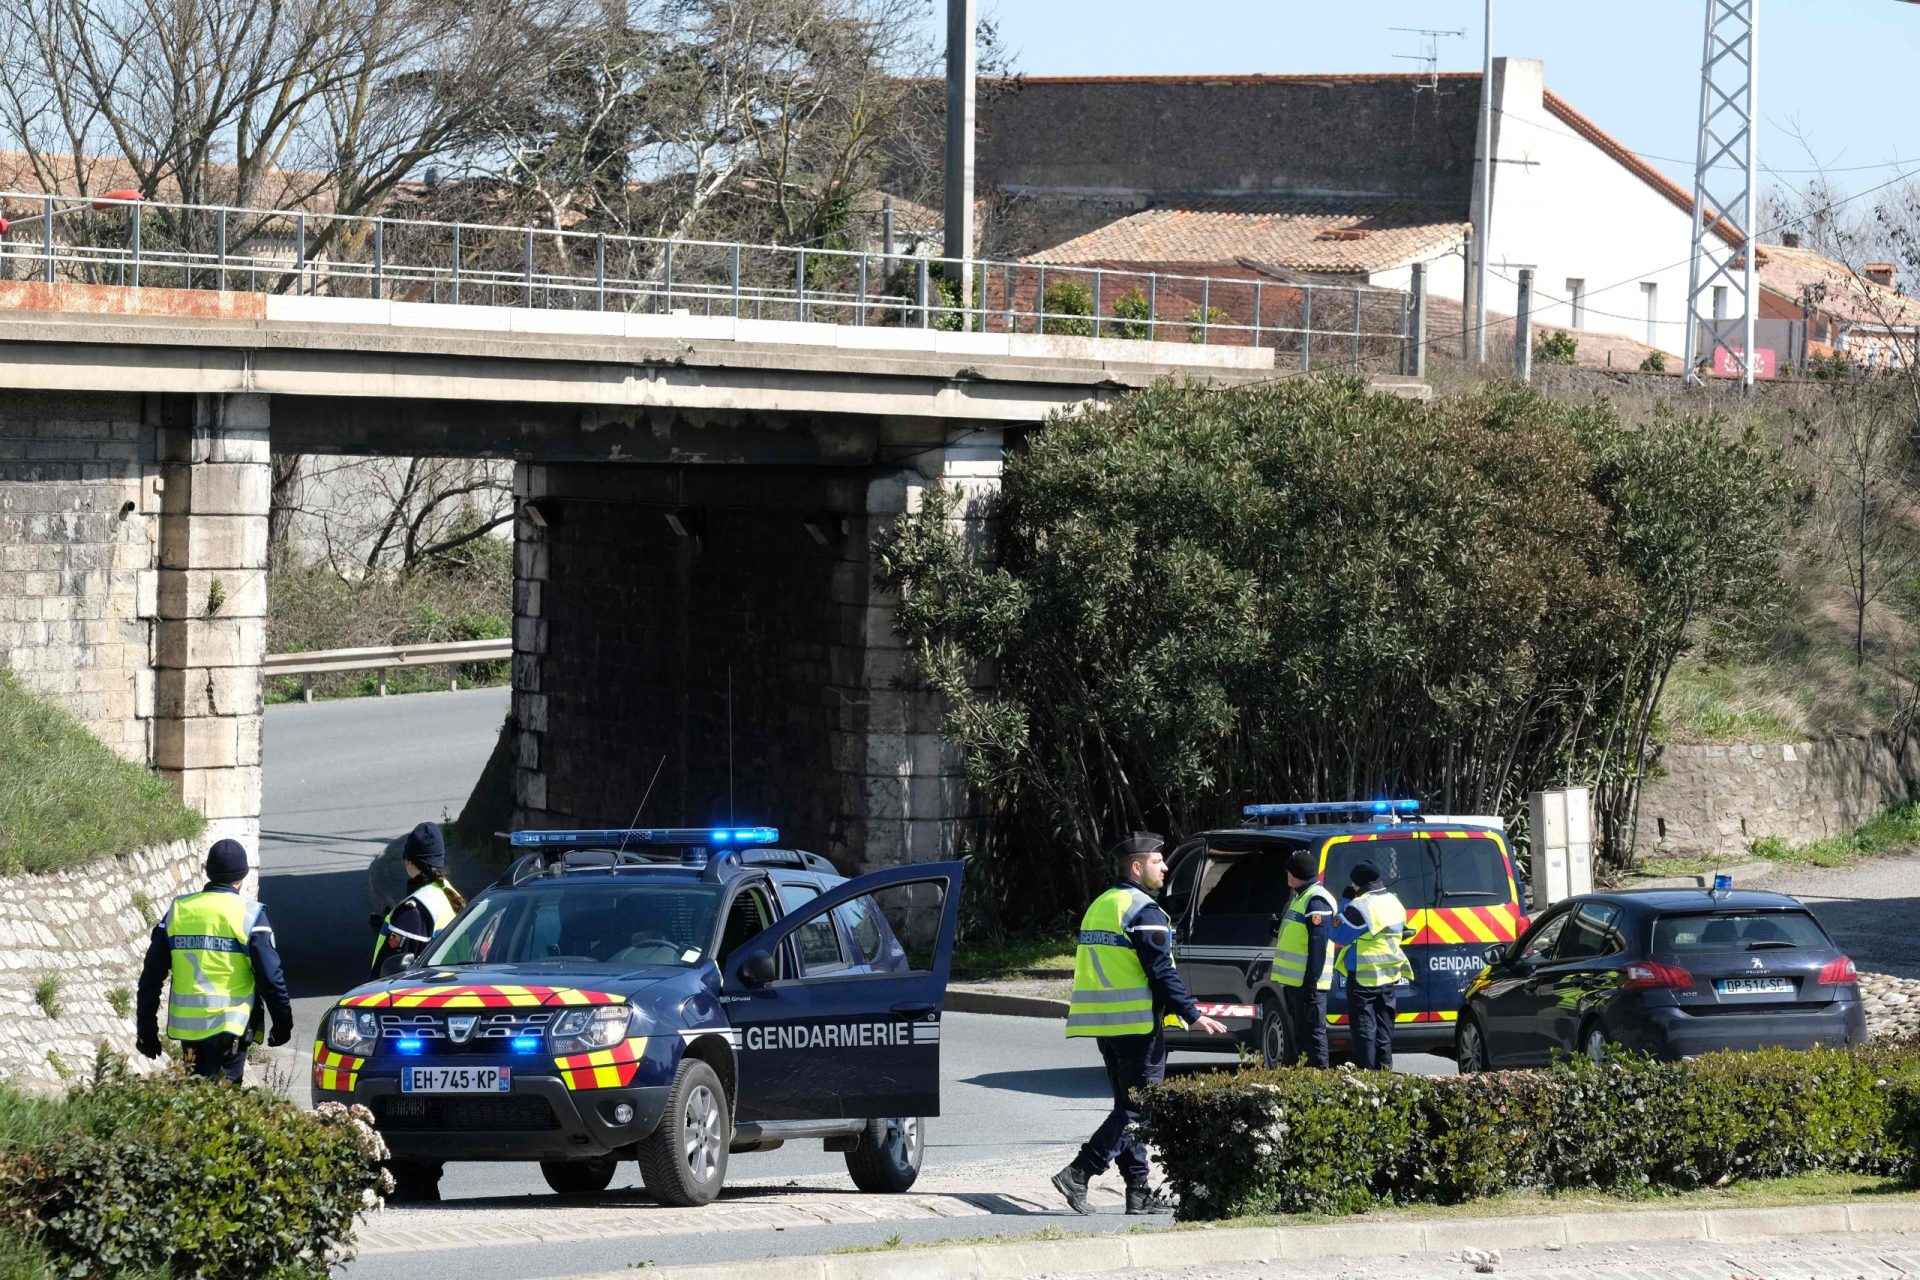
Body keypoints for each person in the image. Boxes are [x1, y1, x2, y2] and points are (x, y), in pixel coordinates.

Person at [1054, 833, 1228, 1217]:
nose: (1165, 867)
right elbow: (1160, 971)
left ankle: (1138, 1192)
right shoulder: (1143, 910)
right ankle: (1080, 1172)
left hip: (1106, 1025)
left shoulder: (1101, 905)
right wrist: (1192, 1012)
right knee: (1140, 1109)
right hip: (1136, 1024)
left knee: (1127, 1108)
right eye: (1158, 861)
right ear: (1137, 867)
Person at [136, 838, 293, 1083]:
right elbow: (270, 977)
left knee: (194, 1106)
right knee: (224, 1110)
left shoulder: (178, 911)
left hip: (190, 1034)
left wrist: (146, 1029)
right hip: (230, 1029)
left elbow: (151, 977)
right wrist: (283, 1023)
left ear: (207, 871)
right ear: (242, 876)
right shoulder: (250, 915)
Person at [1327, 861, 1413, 1071]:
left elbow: (1338, 934)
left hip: (1364, 976)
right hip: (1389, 975)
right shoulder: (1394, 901)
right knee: (1384, 1028)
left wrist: (1346, 902)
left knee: (1364, 1029)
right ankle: (1385, 1071)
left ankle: (1368, 1075)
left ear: (1358, 884)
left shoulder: (1361, 905)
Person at [369, 822, 465, 979]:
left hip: (426, 995)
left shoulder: (414, 910)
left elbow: (390, 973)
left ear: (409, 861)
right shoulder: (452, 895)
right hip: (454, 986)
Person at [1272, 848, 1338, 1067]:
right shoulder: (1301, 896)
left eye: (1288, 871)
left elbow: (1318, 945)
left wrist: (1311, 982)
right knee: (1302, 1035)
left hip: (1309, 983)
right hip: (1296, 982)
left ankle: (1319, 1084)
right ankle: (1306, 1078)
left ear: (1294, 874)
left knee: (1313, 1035)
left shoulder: (1316, 900)